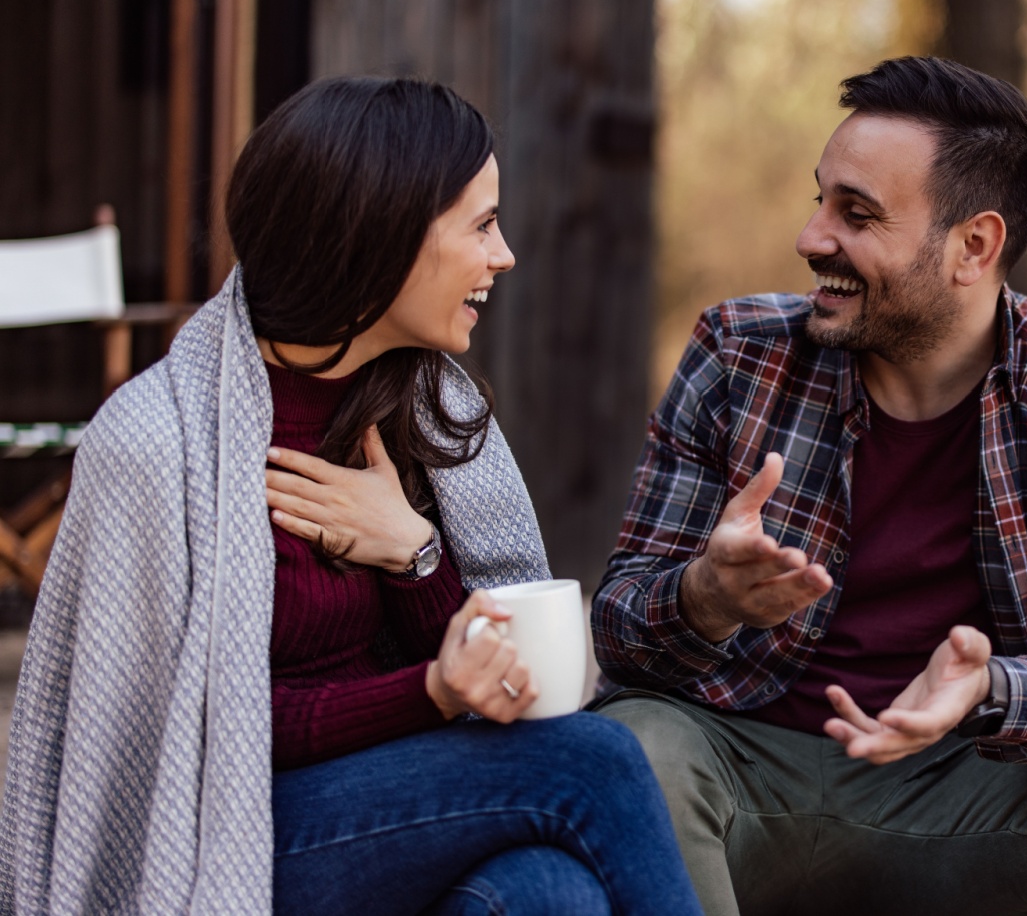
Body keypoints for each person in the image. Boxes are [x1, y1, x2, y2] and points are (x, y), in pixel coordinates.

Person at [0, 77, 702, 916]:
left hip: (396, 804)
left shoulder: (428, 409)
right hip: (229, 834)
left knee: (550, 895)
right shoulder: (159, 443)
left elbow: (483, 669)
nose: (504, 254)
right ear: (381, 236)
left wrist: (414, 555)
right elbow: (174, 740)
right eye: (481, 225)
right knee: (596, 761)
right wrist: (428, 694)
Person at [591, 56, 1027, 916]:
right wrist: (703, 597)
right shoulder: (736, 355)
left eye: (857, 214)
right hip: (738, 777)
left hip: (957, 792)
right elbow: (621, 629)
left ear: (974, 246)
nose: (813, 237)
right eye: (819, 200)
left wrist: (991, 685)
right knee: (632, 746)